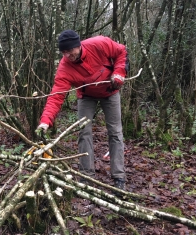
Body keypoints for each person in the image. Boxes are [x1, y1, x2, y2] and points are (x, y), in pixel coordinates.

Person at [35, 30, 129, 190]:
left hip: (110, 91)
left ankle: (119, 177)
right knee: (83, 132)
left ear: (78, 45)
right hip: (86, 96)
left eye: (70, 50)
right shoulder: (65, 67)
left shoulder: (99, 44)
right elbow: (56, 96)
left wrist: (119, 72)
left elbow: (121, 51)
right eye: (64, 52)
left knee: (115, 132)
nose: (67, 55)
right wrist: (45, 121)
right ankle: (86, 177)